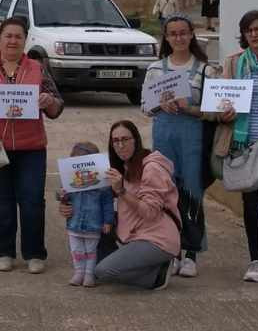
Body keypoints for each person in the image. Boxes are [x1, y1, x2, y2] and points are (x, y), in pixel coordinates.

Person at [0, 15, 63, 274]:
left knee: (31, 201)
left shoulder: (37, 69)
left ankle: (34, 253)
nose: (13, 41)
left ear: (25, 40)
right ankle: (5, 251)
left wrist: (48, 101)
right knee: (2, 201)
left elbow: (57, 107)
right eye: (8, 36)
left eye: (18, 36)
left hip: (31, 147)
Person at [142, 13, 221, 278]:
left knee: (192, 194)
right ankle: (172, 250)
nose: (179, 37)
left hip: (193, 140)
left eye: (183, 33)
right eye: (173, 33)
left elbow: (215, 111)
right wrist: (158, 104)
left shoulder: (205, 69)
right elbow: (144, 107)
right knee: (166, 195)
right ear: (166, 37)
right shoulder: (155, 69)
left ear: (191, 35)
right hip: (164, 138)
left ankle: (191, 254)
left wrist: (191, 108)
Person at [67, 121, 180, 290]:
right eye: (115, 141)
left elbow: (150, 213)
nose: (120, 145)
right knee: (88, 245)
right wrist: (69, 207)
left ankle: (157, 276)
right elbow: (97, 202)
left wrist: (121, 192)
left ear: (136, 140)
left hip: (156, 239)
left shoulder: (151, 168)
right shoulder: (121, 168)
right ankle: (145, 265)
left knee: (102, 271)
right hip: (131, 234)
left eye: (125, 139)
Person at [214, 9, 258, 282]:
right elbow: (221, 102)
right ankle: (255, 261)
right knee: (251, 205)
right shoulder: (234, 62)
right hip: (245, 141)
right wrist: (223, 112)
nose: (254, 34)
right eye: (249, 30)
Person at [60, 141, 115, 288]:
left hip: (93, 224)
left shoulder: (102, 184)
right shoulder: (71, 182)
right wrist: (62, 195)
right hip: (74, 224)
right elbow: (63, 197)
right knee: (76, 250)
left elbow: (107, 203)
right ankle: (79, 272)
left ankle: (89, 274)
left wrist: (108, 221)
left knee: (91, 251)